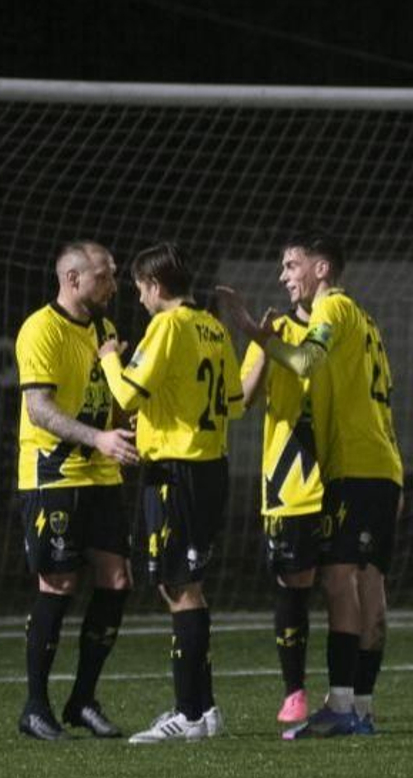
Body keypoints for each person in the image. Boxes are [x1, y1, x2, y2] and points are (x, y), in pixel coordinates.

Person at [225, 231, 402, 740]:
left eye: (290, 265)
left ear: (321, 269)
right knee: (363, 585)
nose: (283, 277)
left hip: (357, 466)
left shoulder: (334, 311)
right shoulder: (366, 321)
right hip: (378, 466)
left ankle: (344, 705)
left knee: (341, 581)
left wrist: (252, 333)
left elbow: (306, 362)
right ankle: (359, 707)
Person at [98, 242, 243, 744]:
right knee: (186, 585)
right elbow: (235, 404)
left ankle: (189, 712)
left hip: (176, 472)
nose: (138, 299)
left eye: (139, 289)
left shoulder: (168, 325)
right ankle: (204, 709)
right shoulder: (212, 327)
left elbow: (126, 394)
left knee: (178, 587)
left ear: (156, 286)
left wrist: (110, 359)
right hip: (210, 466)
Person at [13, 241, 139, 741]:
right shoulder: (40, 329)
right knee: (58, 584)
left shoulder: (105, 331)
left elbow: (111, 401)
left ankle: (82, 698)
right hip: (54, 475)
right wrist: (99, 438)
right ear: (72, 279)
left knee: (117, 580)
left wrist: (129, 424)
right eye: (105, 275)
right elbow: (38, 409)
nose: (113, 283)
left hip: (101, 475)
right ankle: (35, 705)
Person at [237, 289, 323, 726]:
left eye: (292, 266)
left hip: (346, 474)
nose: (285, 277)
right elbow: (242, 398)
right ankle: (296, 693)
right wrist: (266, 346)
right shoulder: (277, 331)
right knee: (295, 587)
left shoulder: (343, 324)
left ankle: (352, 696)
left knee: (356, 586)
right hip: (291, 483)